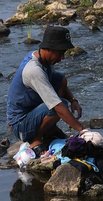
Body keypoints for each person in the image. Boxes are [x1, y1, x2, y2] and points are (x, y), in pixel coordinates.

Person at [7, 26, 85, 156]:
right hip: (20, 124)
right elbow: (57, 106)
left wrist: (73, 100)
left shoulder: (41, 58)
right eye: (61, 53)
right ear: (49, 49)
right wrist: (83, 131)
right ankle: (35, 139)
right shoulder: (34, 70)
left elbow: (60, 82)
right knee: (60, 105)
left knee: (60, 79)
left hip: (32, 113)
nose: (62, 57)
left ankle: (49, 129)